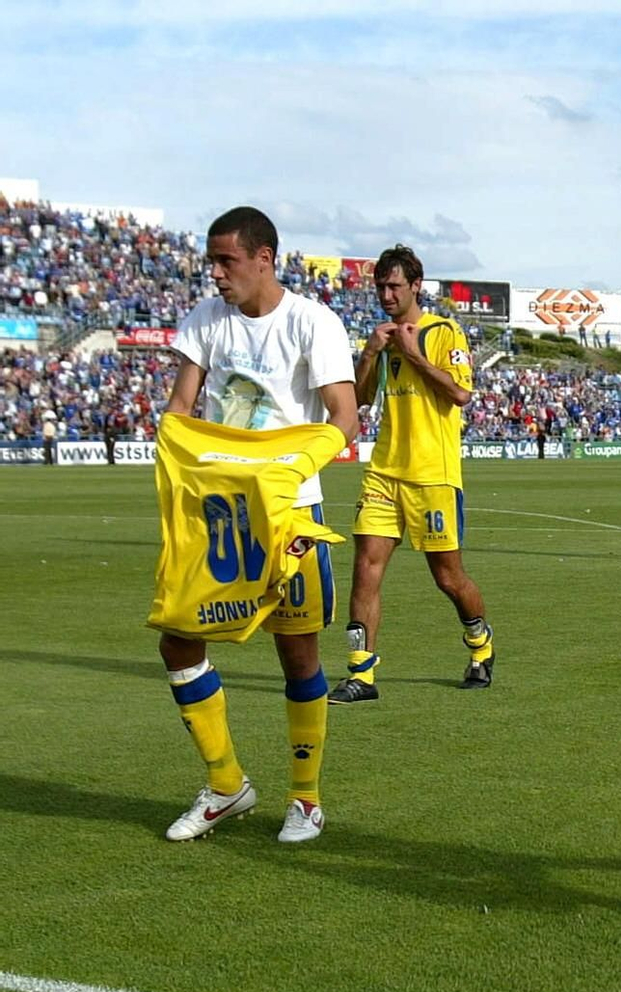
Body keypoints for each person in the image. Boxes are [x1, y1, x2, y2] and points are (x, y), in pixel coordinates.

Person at [156, 206, 358, 841]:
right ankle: (226, 785)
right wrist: (172, 448)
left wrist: (296, 462)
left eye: (227, 261)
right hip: (219, 517)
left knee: (297, 655)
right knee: (178, 640)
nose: (216, 274)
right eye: (212, 262)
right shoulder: (204, 321)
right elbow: (180, 407)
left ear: (264, 258)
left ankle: (306, 799)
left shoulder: (311, 321)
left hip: (289, 511)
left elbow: (345, 417)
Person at [328, 245, 495, 704]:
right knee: (366, 568)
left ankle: (480, 644)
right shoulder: (380, 337)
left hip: (433, 475)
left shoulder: (443, 332)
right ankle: (360, 675)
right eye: (380, 286)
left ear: (416, 286)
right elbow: (360, 401)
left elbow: (461, 394)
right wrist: (369, 354)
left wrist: (413, 352)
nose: (385, 294)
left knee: (448, 578)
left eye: (394, 286)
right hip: (384, 471)